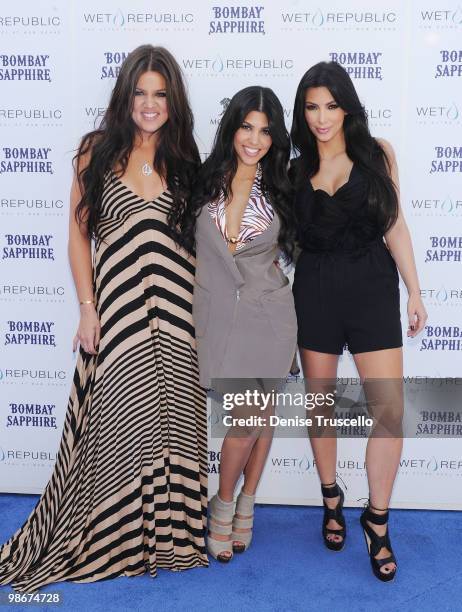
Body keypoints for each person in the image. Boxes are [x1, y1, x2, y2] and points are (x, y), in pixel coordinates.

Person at [0, 45, 208, 592]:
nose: (149, 103)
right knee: (120, 424)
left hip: (179, 315)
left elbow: (202, 242)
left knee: (173, 424)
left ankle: (170, 536)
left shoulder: (186, 158)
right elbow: (78, 232)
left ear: (173, 101)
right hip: (118, 311)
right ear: (125, 96)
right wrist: (87, 308)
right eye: (140, 92)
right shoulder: (96, 151)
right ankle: (112, 535)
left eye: (160, 94)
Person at [290, 61, 427, 582]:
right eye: (311, 106)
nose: (322, 117)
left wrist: (414, 289)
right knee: (322, 405)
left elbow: (394, 224)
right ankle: (331, 495)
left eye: (330, 104)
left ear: (347, 105)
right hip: (316, 292)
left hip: (372, 288)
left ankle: (378, 520)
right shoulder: (293, 170)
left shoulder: (377, 154)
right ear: (303, 112)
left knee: (388, 410)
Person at [186, 86, 297, 562]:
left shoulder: (284, 187)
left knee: (259, 416)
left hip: (268, 316)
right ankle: (229, 501)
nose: (254, 139)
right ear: (232, 127)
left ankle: (238, 502)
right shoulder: (202, 181)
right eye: (247, 127)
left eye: (266, 131)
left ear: (275, 138)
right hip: (216, 317)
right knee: (247, 421)